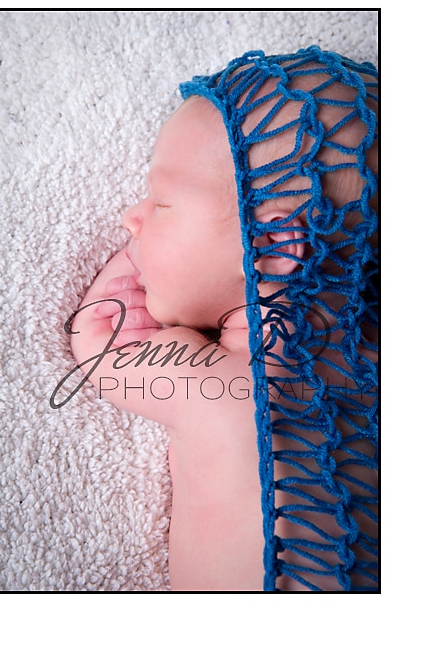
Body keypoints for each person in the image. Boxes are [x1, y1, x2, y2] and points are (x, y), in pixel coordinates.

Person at [67, 47, 379, 592]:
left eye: (161, 203)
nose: (130, 218)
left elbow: (102, 338)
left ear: (272, 245)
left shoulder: (212, 380)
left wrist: (136, 264)